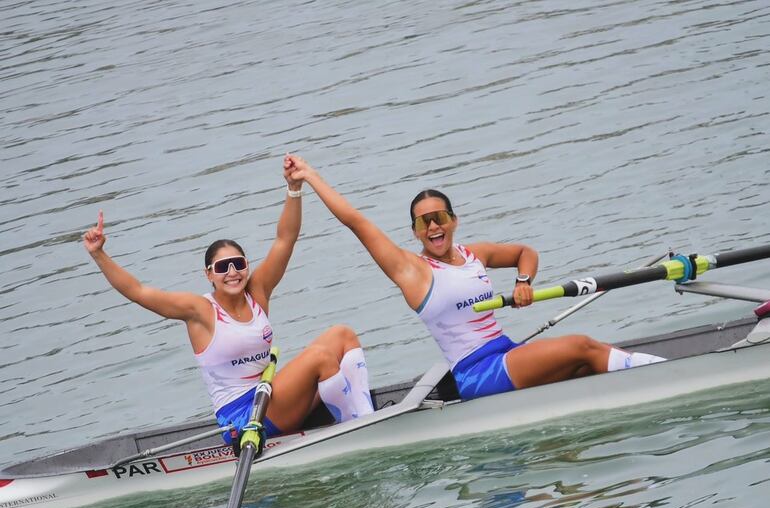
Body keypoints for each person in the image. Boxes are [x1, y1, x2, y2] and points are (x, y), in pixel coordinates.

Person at [284, 154, 664, 400]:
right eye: (423, 221)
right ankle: (663, 375)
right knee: (581, 345)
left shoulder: (474, 254)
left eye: (440, 218)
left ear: (454, 221)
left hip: (507, 351)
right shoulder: (411, 271)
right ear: (415, 231)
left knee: (584, 364)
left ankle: (637, 383)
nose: (433, 226)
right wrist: (310, 178)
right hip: (477, 373)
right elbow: (357, 221)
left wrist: (523, 282)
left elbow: (523, 253)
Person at [82, 156, 374, 446]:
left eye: (238, 264)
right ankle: (360, 428)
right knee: (320, 358)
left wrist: (293, 189)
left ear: (246, 265)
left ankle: (363, 415)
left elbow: (285, 239)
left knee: (342, 335)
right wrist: (99, 254)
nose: (232, 273)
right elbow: (138, 291)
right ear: (209, 275)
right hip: (244, 419)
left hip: (270, 396)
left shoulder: (257, 292)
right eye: (222, 267)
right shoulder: (200, 311)